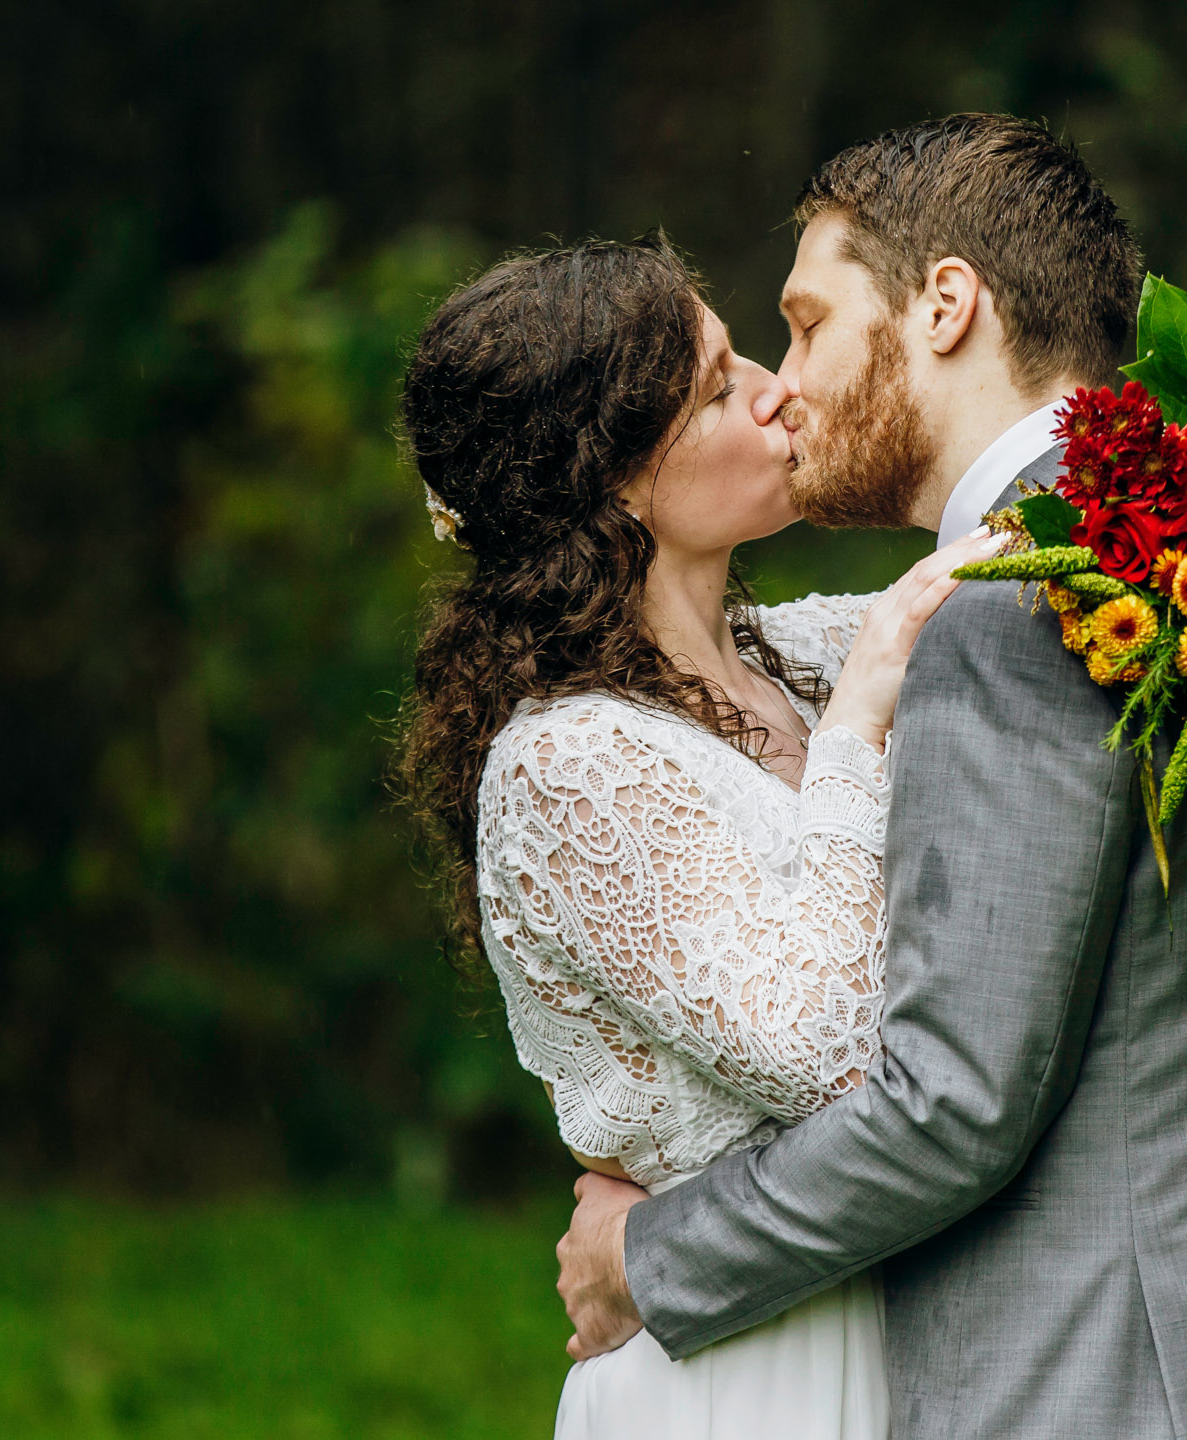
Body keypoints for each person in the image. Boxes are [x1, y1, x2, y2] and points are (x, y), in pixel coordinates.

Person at [555, 115, 1187, 1439]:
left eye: (809, 321)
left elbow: (952, 1104)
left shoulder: (1018, 609)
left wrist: (647, 1257)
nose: (787, 382)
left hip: (1104, 1384)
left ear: (946, 304)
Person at [397, 234, 1001, 1439]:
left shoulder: (802, 658)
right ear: (615, 479)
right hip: (747, 1373)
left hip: (901, 1327)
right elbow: (833, 1055)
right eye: (722, 386)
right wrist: (859, 736)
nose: (779, 388)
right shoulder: (567, 766)